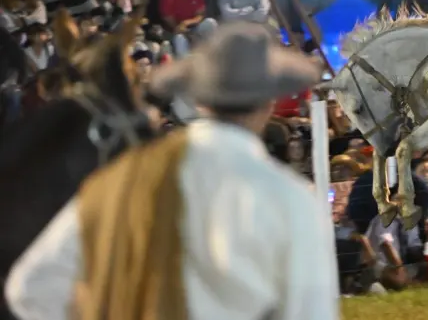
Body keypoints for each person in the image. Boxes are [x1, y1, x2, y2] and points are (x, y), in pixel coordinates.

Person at [5, 22, 338, 320]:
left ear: (198, 101)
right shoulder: (290, 199)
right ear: (268, 104)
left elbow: (31, 292)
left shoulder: (116, 182)